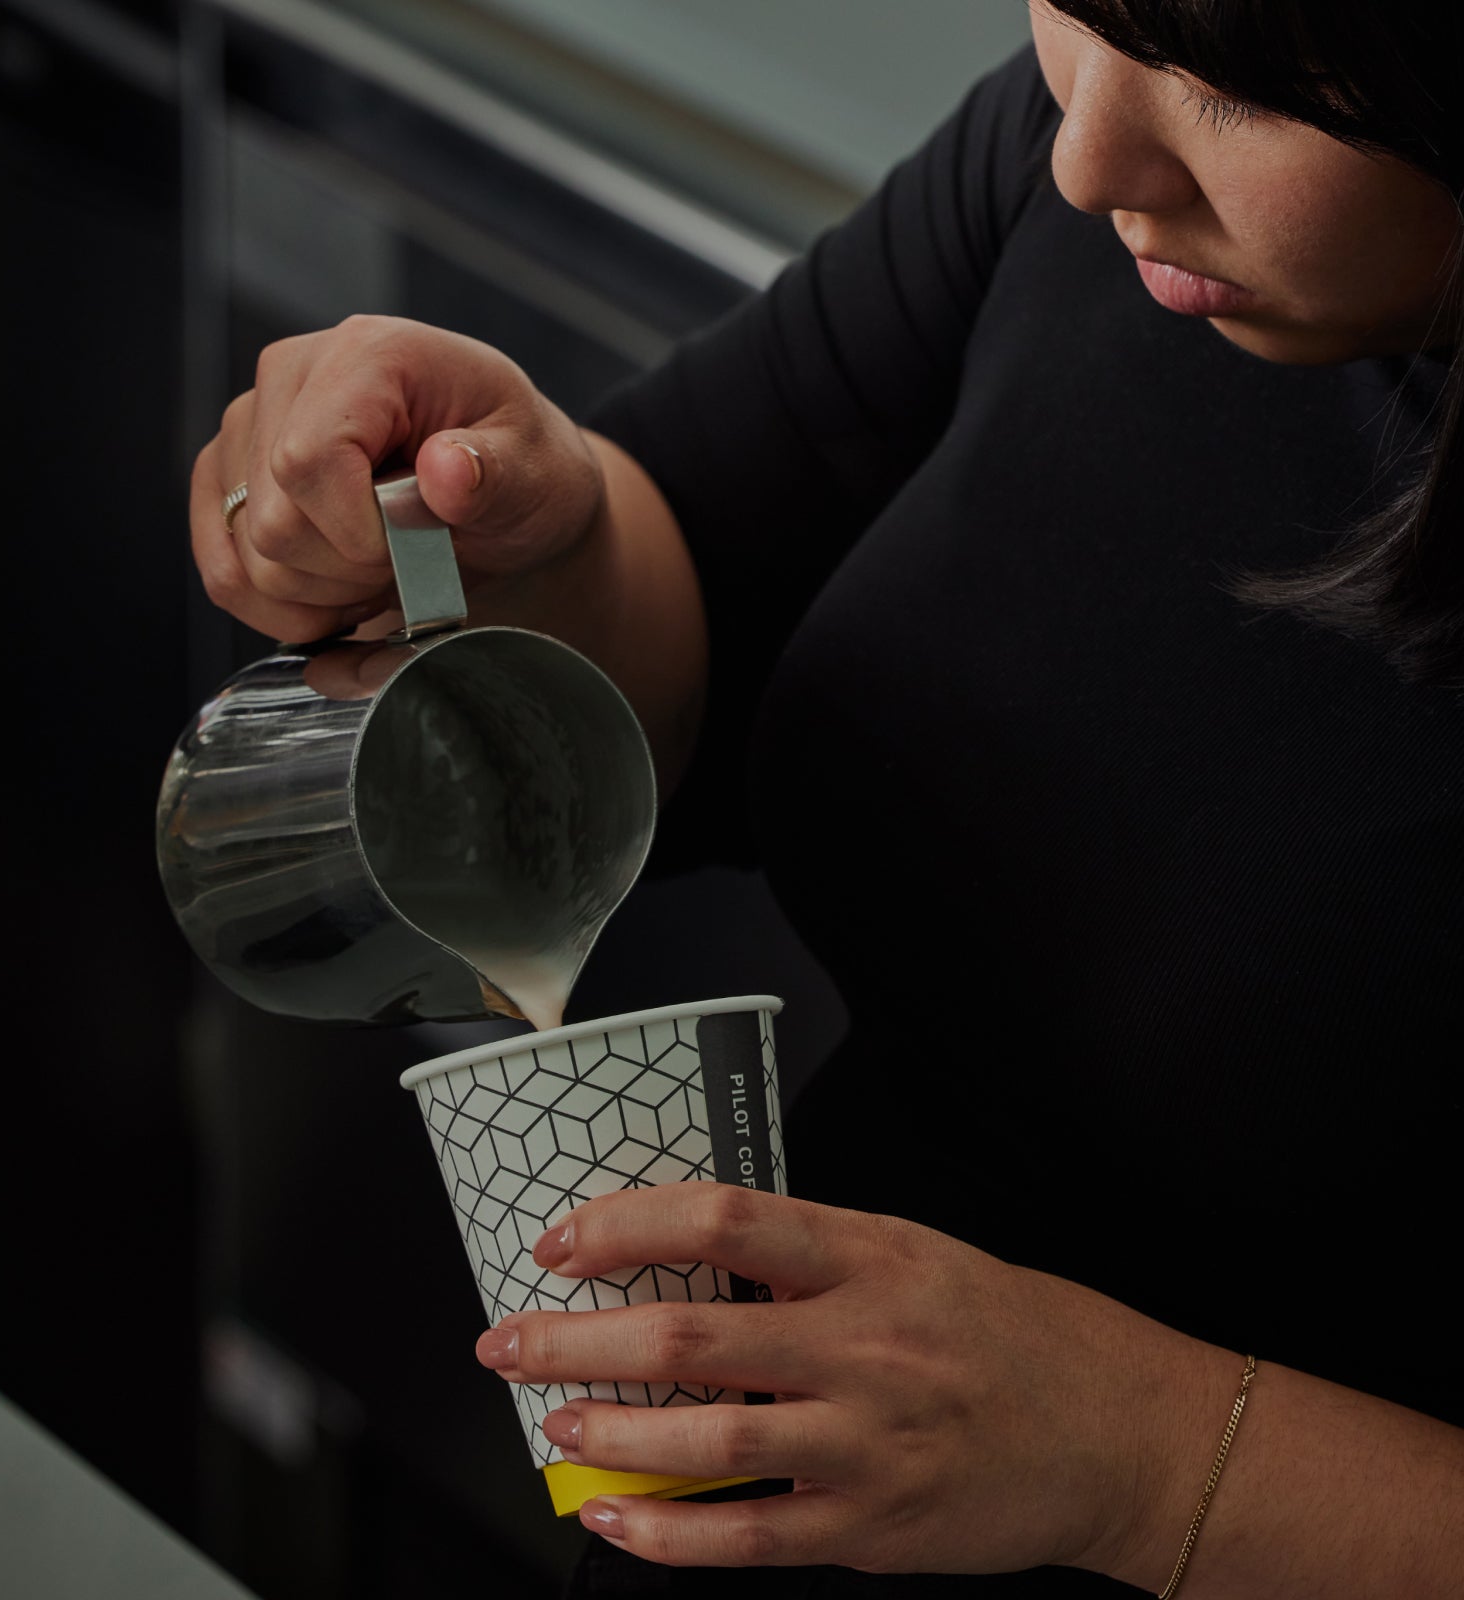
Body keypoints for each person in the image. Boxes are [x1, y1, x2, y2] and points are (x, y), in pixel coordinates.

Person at [189, 2, 1464, 1594]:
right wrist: (534, 530)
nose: (1087, 157)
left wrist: (1148, 1455)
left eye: (1243, 81)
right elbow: (705, 584)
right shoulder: (1109, 180)